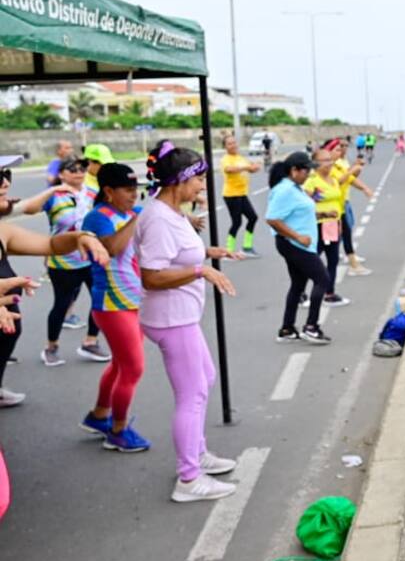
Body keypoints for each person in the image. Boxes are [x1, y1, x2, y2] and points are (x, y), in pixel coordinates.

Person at [137, 141, 241, 502]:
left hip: (180, 316)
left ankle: (197, 453)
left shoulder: (171, 211)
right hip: (171, 319)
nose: (202, 186)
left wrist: (209, 253)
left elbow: (178, 253)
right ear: (180, 180)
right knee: (192, 394)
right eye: (198, 179)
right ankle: (189, 478)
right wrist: (201, 271)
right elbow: (152, 276)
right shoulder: (159, 218)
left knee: (204, 379)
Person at [0, 155, 107, 409]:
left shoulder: (3, 230)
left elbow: (50, 245)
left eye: (7, 175)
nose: (6, 183)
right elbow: (31, 208)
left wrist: (80, 237)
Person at [80, 163, 151, 452]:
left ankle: (99, 415)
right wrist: (137, 219)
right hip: (112, 305)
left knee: (120, 364)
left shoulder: (131, 213)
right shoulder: (97, 217)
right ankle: (118, 430)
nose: (134, 195)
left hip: (135, 301)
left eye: (136, 190)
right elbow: (112, 248)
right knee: (133, 368)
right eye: (128, 190)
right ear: (108, 191)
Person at [19, 156, 110, 365]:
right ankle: (51, 347)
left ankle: (90, 341)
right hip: (63, 262)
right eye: (72, 169)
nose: (78, 172)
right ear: (61, 174)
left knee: (100, 301)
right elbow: (29, 209)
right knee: (62, 304)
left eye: (82, 169)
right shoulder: (54, 196)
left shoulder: (93, 193)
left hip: (91, 258)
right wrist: (53, 189)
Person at [266, 152, 331, 344]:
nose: (309, 174)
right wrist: (298, 237)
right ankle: (311, 327)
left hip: (298, 244)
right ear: (294, 170)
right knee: (322, 279)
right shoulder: (285, 189)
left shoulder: (294, 187)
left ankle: (287, 329)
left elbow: (298, 213)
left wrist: (322, 214)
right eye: (306, 171)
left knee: (298, 285)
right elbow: (272, 219)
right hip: (294, 245)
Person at [303, 146, 355, 308]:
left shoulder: (333, 179)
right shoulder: (311, 181)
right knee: (312, 260)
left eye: (330, 160)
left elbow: (337, 201)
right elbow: (304, 206)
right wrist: (324, 214)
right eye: (325, 160)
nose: (329, 163)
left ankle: (329, 293)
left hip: (333, 224)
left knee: (333, 259)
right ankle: (301, 292)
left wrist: (338, 222)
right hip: (317, 226)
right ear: (315, 163)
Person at [332, 138, 372, 276]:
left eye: (344, 146)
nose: (342, 149)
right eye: (338, 148)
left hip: (341, 204)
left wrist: (364, 187)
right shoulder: (328, 167)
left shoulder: (340, 163)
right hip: (330, 209)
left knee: (346, 231)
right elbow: (338, 181)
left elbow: (350, 178)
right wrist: (352, 170)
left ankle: (352, 263)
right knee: (330, 240)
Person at [220, 134, 262, 258]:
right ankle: (228, 251)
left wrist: (255, 167)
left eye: (234, 142)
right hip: (231, 195)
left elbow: (250, 169)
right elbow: (229, 169)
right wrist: (246, 167)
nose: (233, 145)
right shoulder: (226, 159)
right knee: (237, 222)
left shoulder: (240, 158)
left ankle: (247, 247)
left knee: (253, 217)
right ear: (225, 147)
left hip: (242, 194)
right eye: (229, 144)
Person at [81, 143, 114, 211]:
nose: (105, 167)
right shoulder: (80, 183)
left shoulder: (113, 179)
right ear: (88, 162)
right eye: (100, 163)